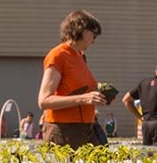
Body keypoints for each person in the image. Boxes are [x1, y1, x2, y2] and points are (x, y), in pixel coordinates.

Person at [38, 10, 106, 149]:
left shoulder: (80, 56)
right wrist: (84, 98)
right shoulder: (58, 56)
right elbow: (44, 101)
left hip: (85, 128)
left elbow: (80, 91)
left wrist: (99, 96)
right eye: (93, 34)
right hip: (64, 130)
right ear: (82, 30)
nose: (94, 40)